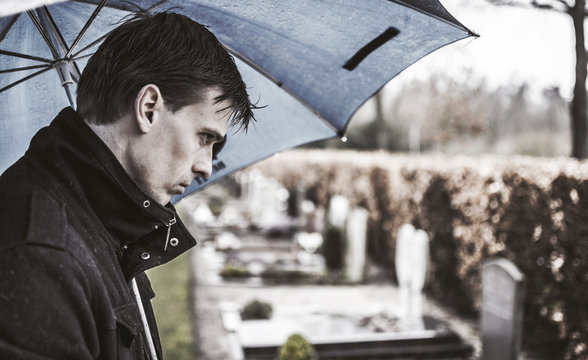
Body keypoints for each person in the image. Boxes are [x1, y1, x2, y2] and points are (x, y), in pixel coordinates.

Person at [0, 11, 255, 360]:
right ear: (149, 108)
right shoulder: (41, 256)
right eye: (205, 137)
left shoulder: (107, 226)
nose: (206, 167)